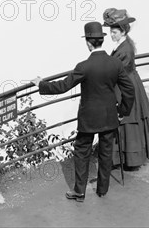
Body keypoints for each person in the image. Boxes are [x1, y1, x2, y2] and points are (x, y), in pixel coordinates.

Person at [31, 21, 135, 202]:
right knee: (105, 151)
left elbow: (63, 86)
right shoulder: (115, 63)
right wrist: (122, 111)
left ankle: (79, 191)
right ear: (101, 40)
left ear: (88, 42)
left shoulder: (83, 66)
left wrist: (41, 84)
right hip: (109, 115)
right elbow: (129, 90)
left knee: (81, 151)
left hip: (88, 118)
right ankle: (103, 189)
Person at [103, 8, 149, 170]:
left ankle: (130, 160)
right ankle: (127, 158)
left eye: (114, 32)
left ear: (122, 31)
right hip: (130, 82)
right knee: (128, 120)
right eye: (111, 32)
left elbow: (117, 71)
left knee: (127, 119)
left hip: (126, 86)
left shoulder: (124, 49)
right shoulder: (124, 44)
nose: (112, 35)